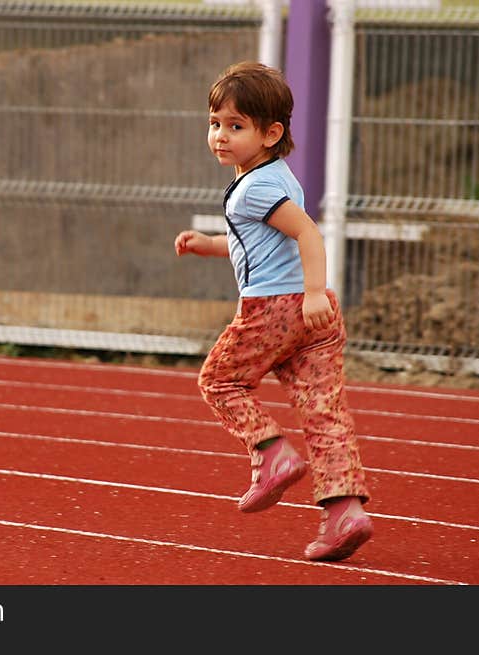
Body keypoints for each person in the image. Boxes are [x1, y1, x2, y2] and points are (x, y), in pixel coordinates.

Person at [174, 61, 373, 562]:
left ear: (271, 132)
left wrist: (309, 292)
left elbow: (306, 233)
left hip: (278, 309)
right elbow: (259, 242)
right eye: (214, 123)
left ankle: (271, 454)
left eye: (235, 126)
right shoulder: (274, 176)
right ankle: (344, 511)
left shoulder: (254, 187)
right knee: (324, 413)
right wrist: (209, 245)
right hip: (314, 319)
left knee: (218, 381)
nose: (220, 136)